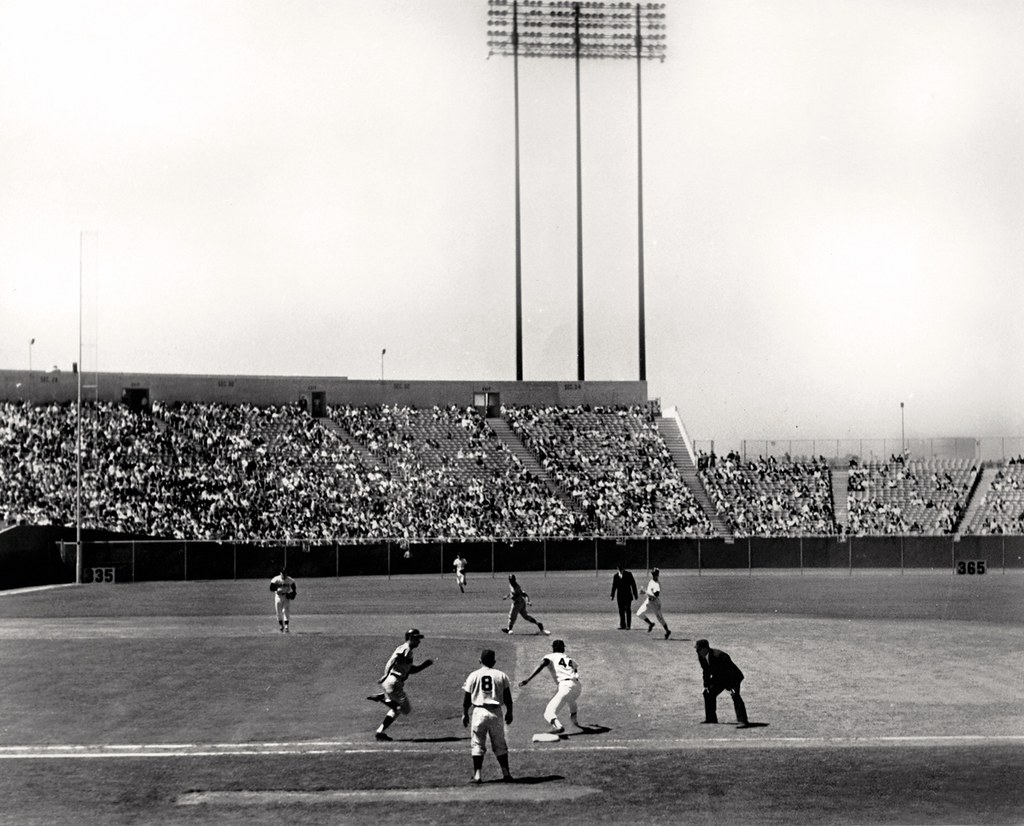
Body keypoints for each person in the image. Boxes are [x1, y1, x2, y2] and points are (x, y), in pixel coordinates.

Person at [367, 628, 434, 741]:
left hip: (394, 683)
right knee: (404, 709)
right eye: (417, 639)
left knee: (397, 709)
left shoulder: (409, 652)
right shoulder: (405, 649)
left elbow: (411, 670)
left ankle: (380, 732)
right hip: (393, 682)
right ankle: (383, 698)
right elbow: (392, 660)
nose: (419, 641)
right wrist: (385, 674)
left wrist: (424, 665)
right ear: (410, 638)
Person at [461, 648, 514, 783]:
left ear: (480, 661)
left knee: (477, 743)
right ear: (494, 662)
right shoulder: (501, 675)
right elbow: (508, 697)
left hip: (479, 712)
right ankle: (506, 773)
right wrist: (510, 711)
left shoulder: (473, 675)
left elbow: (467, 698)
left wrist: (465, 713)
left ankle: (477, 775)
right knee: (500, 743)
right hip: (496, 712)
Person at [518, 639, 582, 735]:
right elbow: (575, 669)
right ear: (563, 648)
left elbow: (542, 664)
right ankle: (574, 720)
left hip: (565, 686)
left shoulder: (550, 657)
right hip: (577, 686)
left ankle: (558, 727)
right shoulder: (569, 658)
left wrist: (528, 679)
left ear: (553, 648)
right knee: (570, 699)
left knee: (548, 713)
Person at [695, 639, 750, 728]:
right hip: (719, 677)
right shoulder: (701, 656)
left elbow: (728, 671)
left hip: (733, 677)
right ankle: (711, 718)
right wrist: (706, 685)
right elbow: (706, 671)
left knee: (735, 694)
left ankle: (743, 721)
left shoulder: (720, 656)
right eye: (697, 649)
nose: (697, 652)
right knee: (708, 693)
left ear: (705, 648)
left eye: (699, 649)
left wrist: (730, 687)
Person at [636, 567, 671, 639]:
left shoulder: (657, 584)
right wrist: (644, 593)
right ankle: (650, 624)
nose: (653, 575)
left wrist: (645, 592)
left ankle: (667, 631)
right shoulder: (651, 581)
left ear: (657, 575)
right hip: (648, 601)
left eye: (655, 574)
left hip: (655, 603)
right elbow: (649, 593)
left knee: (660, 618)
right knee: (639, 613)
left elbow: (655, 595)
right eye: (653, 574)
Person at [610, 563, 639, 629]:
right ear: (617, 568)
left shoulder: (628, 574)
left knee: (627, 609)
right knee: (621, 610)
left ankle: (628, 625)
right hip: (620, 596)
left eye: (621, 569)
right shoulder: (616, 576)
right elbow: (614, 586)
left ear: (623, 568)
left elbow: (633, 584)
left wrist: (635, 594)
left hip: (627, 596)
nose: (620, 570)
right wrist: (612, 595)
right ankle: (622, 625)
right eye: (619, 569)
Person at [269, 568, 297, 633]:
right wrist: (276, 589)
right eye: (282, 573)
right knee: (278, 611)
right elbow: (271, 588)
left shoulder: (290, 580)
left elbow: (294, 589)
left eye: (285, 573)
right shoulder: (276, 579)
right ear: (280, 573)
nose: (284, 575)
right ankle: (281, 625)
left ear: (287, 573)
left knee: (286, 611)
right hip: (278, 597)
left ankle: (286, 626)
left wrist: (292, 593)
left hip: (286, 596)